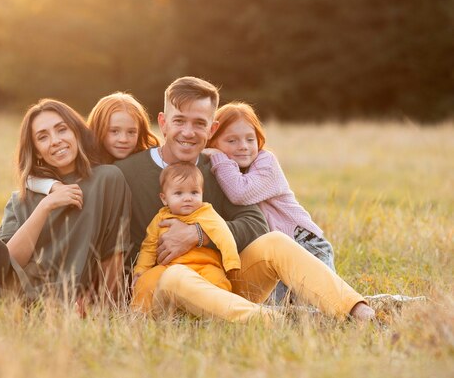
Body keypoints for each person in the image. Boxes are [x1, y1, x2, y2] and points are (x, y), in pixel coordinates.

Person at [115, 76, 375, 322]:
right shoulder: (128, 173)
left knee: (275, 242)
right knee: (176, 276)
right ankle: (272, 321)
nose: (188, 132)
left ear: (212, 128)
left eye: (199, 123)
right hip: (162, 290)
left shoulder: (218, 168)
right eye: (179, 121)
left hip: (220, 282)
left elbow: (256, 225)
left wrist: (199, 233)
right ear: (162, 122)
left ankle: (358, 312)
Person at [0, 99, 131, 313]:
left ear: (76, 133)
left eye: (62, 130)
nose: (55, 141)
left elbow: (114, 251)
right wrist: (45, 207)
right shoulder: (21, 199)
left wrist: (105, 307)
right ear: (36, 151)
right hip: (16, 294)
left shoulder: (107, 179)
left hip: (61, 302)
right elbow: (7, 259)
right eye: (43, 137)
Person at [203, 101, 335, 303]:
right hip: (273, 256)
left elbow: (240, 192)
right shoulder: (225, 171)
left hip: (303, 245)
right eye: (232, 141)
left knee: (325, 306)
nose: (244, 147)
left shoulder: (266, 163)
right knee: (280, 310)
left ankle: (387, 304)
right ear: (213, 141)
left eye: (250, 139)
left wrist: (219, 157)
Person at [131, 162, 243, 314]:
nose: (187, 198)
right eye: (178, 193)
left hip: (204, 266)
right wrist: (141, 270)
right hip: (168, 268)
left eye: (194, 193)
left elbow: (224, 235)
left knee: (218, 283)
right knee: (146, 282)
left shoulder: (206, 213)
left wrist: (232, 263)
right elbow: (149, 246)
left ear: (202, 193)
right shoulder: (160, 219)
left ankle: (220, 313)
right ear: (164, 199)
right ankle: (140, 315)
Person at [26, 92, 160, 194]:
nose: (123, 139)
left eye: (131, 132)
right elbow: (28, 180)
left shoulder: (145, 160)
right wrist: (52, 186)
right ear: (98, 128)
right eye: (114, 131)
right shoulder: (86, 158)